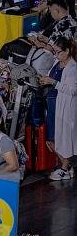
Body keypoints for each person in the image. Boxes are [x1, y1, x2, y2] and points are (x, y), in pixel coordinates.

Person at [40, 36, 77, 180]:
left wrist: (53, 82)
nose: (56, 55)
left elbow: (72, 90)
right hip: (53, 103)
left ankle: (64, 168)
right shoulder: (57, 63)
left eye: (58, 52)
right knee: (52, 138)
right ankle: (67, 167)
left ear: (67, 51)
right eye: (54, 52)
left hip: (65, 107)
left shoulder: (73, 68)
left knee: (64, 137)